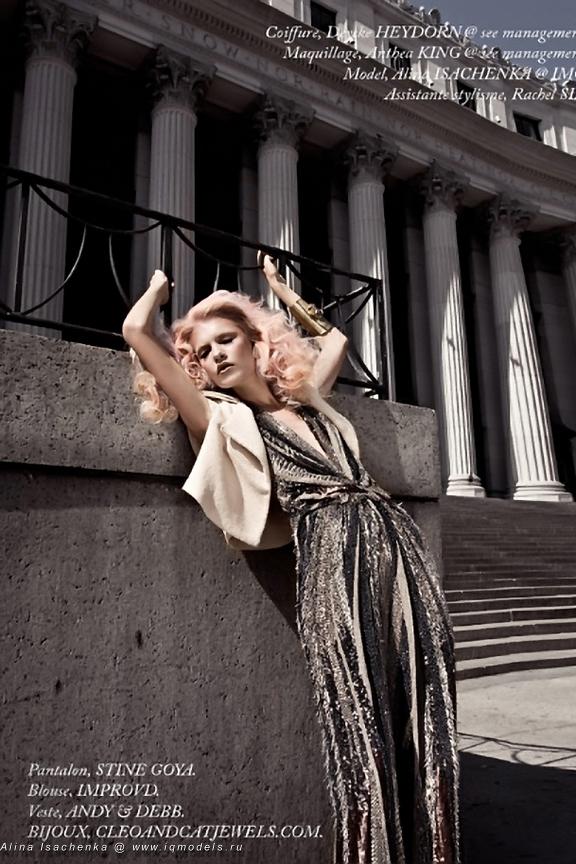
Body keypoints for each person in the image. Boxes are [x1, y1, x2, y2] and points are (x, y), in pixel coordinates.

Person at [122, 256, 460, 864]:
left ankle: (435, 847)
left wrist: (281, 290)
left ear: (256, 345)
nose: (217, 355)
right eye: (204, 352)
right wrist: (156, 291)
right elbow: (136, 333)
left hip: (398, 546)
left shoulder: (308, 402)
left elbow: (335, 342)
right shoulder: (220, 417)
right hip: (332, 558)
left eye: (227, 340)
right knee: (358, 709)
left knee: (426, 691)